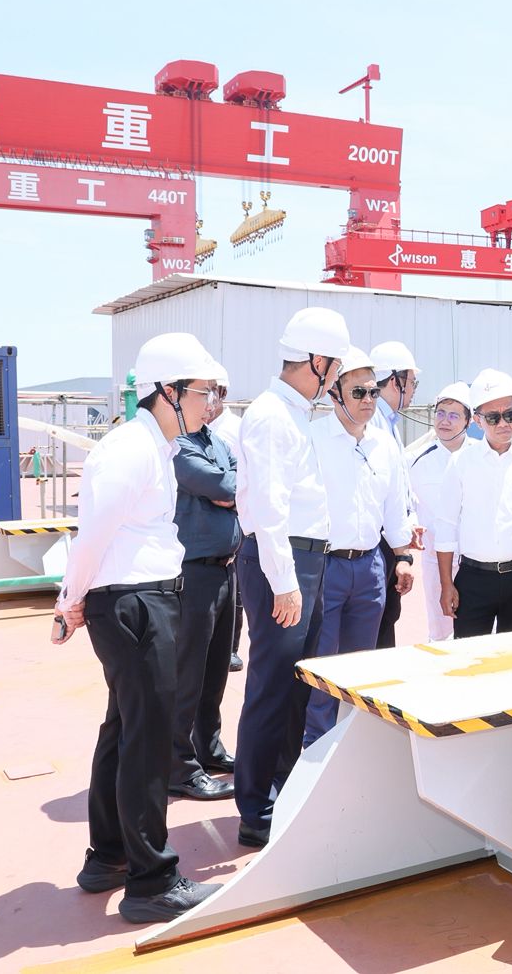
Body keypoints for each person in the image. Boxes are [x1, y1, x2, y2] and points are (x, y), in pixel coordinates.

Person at [52, 333, 224, 924]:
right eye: (203, 391)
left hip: (139, 601)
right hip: (135, 605)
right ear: (168, 392)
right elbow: (93, 534)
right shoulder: (130, 449)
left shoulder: (156, 445)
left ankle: (109, 858)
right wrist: (70, 599)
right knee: (147, 743)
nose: (211, 403)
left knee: (124, 731)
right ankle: (151, 882)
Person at [232, 306, 349, 848]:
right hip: (282, 561)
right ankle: (256, 807)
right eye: (336, 366)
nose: (337, 376)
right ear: (317, 361)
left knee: (296, 686)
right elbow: (269, 509)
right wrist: (284, 582)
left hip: (304, 560)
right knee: (272, 687)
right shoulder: (272, 416)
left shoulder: (292, 413)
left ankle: (281, 789)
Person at [303, 347, 416, 745]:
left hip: (370, 568)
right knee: (323, 666)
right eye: (358, 392)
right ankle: (316, 748)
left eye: (373, 392)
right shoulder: (313, 439)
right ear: (334, 393)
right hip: (326, 567)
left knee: (362, 667)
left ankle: (354, 748)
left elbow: (395, 506)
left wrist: (402, 555)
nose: (369, 400)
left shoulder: (384, 444)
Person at [435, 369, 512, 637]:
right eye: (493, 417)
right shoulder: (460, 463)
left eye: (510, 415)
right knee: (469, 658)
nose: (503, 423)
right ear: (478, 420)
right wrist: (446, 584)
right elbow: (446, 527)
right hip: (473, 580)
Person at [167, 373, 241, 802]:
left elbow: (239, 482)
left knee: (215, 671)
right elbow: (224, 485)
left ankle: (207, 748)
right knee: (188, 672)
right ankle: (178, 766)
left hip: (225, 570)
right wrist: (227, 485)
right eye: (205, 391)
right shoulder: (179, 445)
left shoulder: (217, 442)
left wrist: (229, 485)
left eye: (218, 392)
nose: (212, 400)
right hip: (193, 573)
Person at [408, 382, 477, 642]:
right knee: (440, 632)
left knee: (478, 632)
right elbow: (405, 504)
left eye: (454, 415)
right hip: (435, 560)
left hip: (476, 561)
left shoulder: (481, 457)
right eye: (440, 413)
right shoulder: (414, 460)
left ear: (469, 421)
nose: (445, 421)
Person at [369, 340, 421, 648]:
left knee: (387, 615)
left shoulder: (388, 422)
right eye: (412, 382)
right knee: (379, 619)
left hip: (389, 538)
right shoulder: (375, 423)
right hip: (381, 542)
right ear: (394, 381)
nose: (413, 389)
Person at [209, 372, 247, 673]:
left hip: (235, 517)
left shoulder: (234, 429)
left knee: (235, 589)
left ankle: (230, 648)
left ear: (222, 393)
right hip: (206, 523)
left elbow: (238, 481)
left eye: (212, 391)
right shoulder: (194, 430)